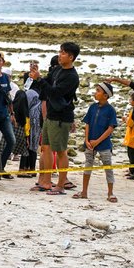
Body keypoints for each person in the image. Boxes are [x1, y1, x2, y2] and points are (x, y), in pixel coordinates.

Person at [29, 42, 80, 195]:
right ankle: (45, 181)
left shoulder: (72, 76)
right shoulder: (57, 70)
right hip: (51, 115)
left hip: (61, 117)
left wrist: (39, 80)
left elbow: (54, 92)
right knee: (45, 148)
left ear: (71, 57)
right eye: (60, 51)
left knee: (61, 150)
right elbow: (46, 83)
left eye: (63, 53)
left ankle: (61, 184)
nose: (60, 55)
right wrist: (37, 76)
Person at [75, 82, 118, 202]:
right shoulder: (92, 107)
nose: (95, 92)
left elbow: (110, 128)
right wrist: (87, 140)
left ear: (105, 96)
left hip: (104, 145)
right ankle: (84, 191)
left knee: (108, 168)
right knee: (87, 166)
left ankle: (110, 193)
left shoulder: (111, 110)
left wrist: (97, 141)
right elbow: (87, 124)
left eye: (98, 91)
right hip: (90, 144)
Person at [0, 51, 16, 179]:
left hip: (4, 114)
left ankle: (1, 167)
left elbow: (9, 97)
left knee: (11, 141)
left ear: (3, 63)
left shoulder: (6, 77)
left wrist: (12, 113)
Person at [18, 72, 42, 177]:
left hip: (30, 121)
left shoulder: (29, 92)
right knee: (32, 144)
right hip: (35, 122)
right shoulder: (36, 92)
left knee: (28, 143)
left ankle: (26, 167)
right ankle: (29, 168)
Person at [122, 93, 134, 179]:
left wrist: (125, 119)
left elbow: (130, 123)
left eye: (131, 100)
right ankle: (133, 170)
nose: (129, 101)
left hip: (133, 138)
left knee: (132, 156)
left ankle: (133, 171)